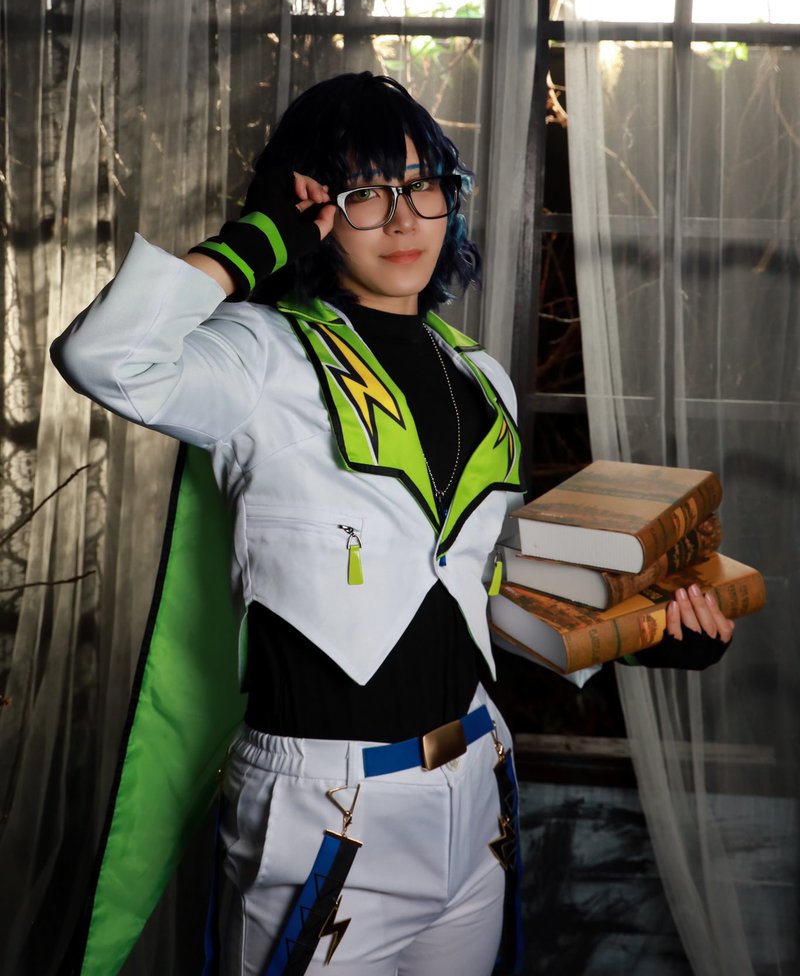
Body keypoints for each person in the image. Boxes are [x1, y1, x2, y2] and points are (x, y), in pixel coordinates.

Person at [51, 72, 733, 976]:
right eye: (364, 193)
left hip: (476, 783)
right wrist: (257, 238)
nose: (405, 219)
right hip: (327, 808)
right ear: (313, 211)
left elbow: (473, 589)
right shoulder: (260, 354)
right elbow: (103, 355)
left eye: (421, 186)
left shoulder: (481, 376)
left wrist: (640, 634)